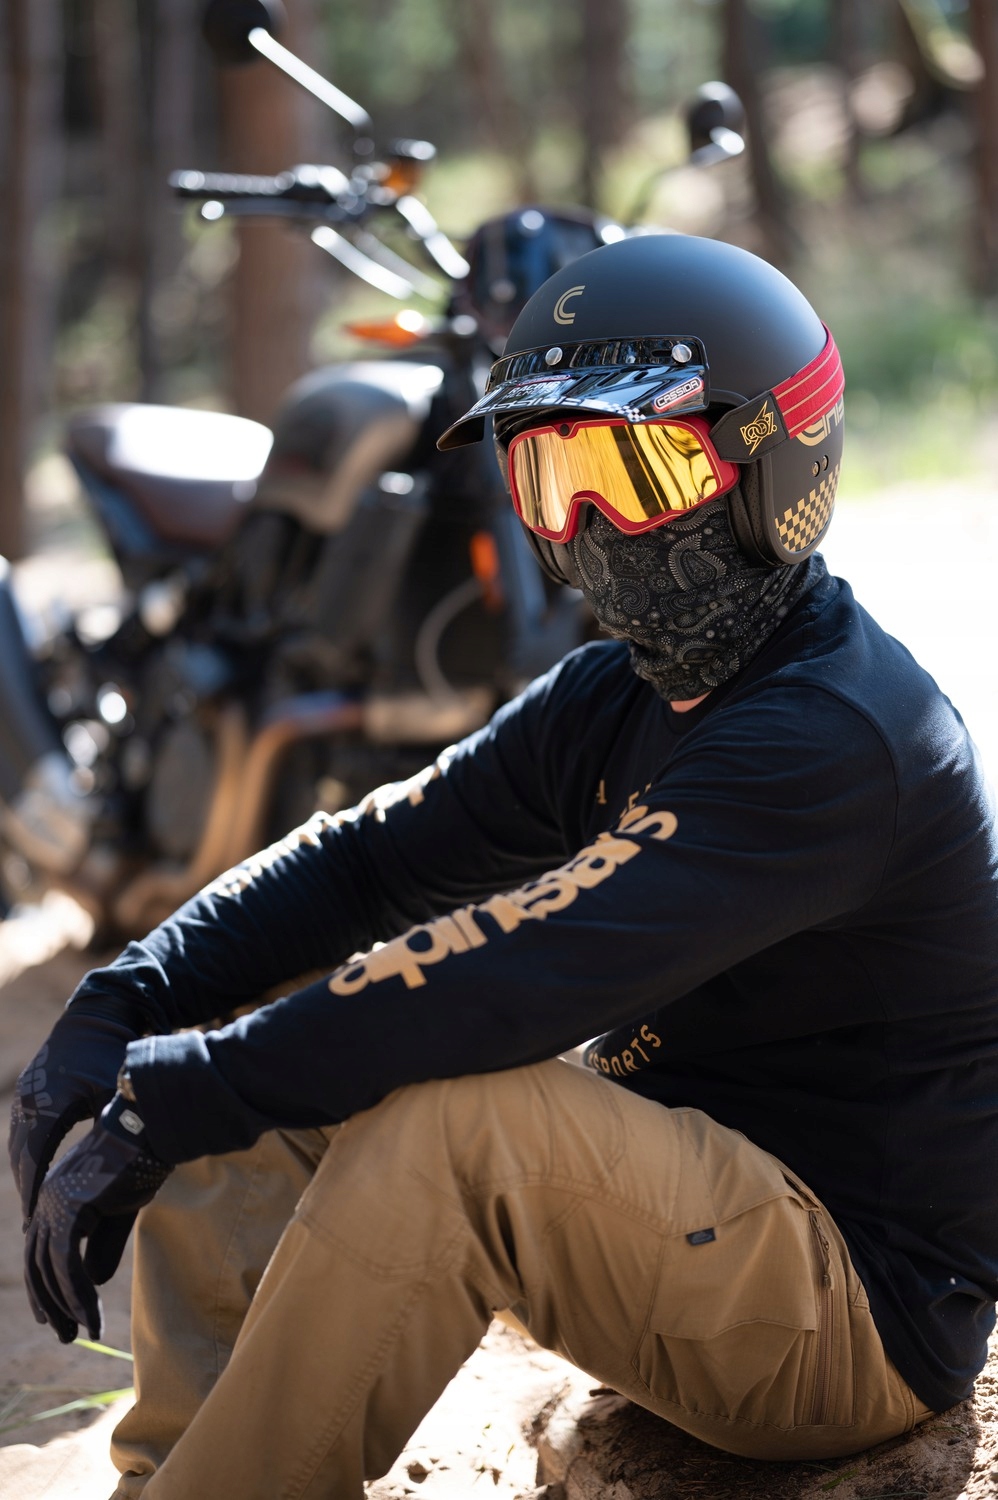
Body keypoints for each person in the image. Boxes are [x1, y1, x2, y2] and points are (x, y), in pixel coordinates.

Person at [10, 233, 998, 1500]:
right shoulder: (616, 692)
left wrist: (185, 1088)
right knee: (273, 1038)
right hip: (688, 1225)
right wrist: (134, 993)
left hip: (851, 1316)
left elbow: (508, 983)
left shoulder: (833, 738)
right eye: (547, 475)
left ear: (775, 459)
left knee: (439, 1110)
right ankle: (174, 1479)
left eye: (634, 470)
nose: (584, 527)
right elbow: (367, 862)